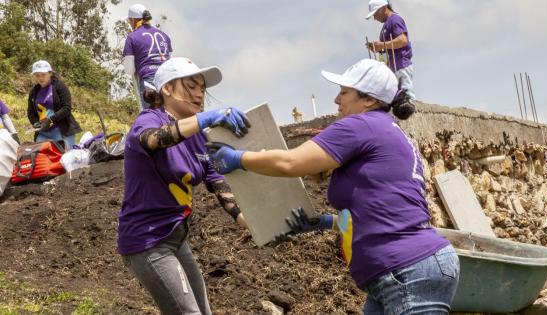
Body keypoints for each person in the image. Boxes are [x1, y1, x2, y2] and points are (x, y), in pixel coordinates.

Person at [207, 59, 460, 314]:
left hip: (406, 270)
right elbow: (381, 211)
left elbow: (290, 163)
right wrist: (322, 222)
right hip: (400, 271)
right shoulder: (386, 131)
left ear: (369, 100)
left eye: (344, 92)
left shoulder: (361, 125)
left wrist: (238, 159)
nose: (337, 100)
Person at [118, 57, 250, 315]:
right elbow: (152, 140)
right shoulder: (149, 119)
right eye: (191, 85)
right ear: (166, 89)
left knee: (203, 311)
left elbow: (216, 182)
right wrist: (205, 119)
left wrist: (247, 221)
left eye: (202, 88)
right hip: (148, 241)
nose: (200, 93)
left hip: (176, 238)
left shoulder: (199, 138)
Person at [123, 3, 173, 111]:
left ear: (133, 20)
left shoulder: (132, 37)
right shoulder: (164, 36)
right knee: (170, 115)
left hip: (149, 81)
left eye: (129, 21)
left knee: (153, 118)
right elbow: (170, 59)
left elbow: (129, 69)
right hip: (168, 79)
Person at [366, 0, 416, 100]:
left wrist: (382, 45)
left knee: (406, 98)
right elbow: (385, 50)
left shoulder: (395, 19)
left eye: (375, 13)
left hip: (401, 65)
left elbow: (403, 40)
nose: (375, 18)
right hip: (393, 69)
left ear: (384, 8)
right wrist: (378, 48)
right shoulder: (386, 26)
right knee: (395, 100)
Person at [27, 60, 82, 149]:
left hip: (61, 131)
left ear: (50, 73)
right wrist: (35, 123)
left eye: (43, 75)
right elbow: (30, 112)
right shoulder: (34, 91)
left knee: (66, 159)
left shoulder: (60, 87)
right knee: (42, 159)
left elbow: (66, 108)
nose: (40, 78)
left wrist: (50, 120)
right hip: (43, 133)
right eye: (37, 75)